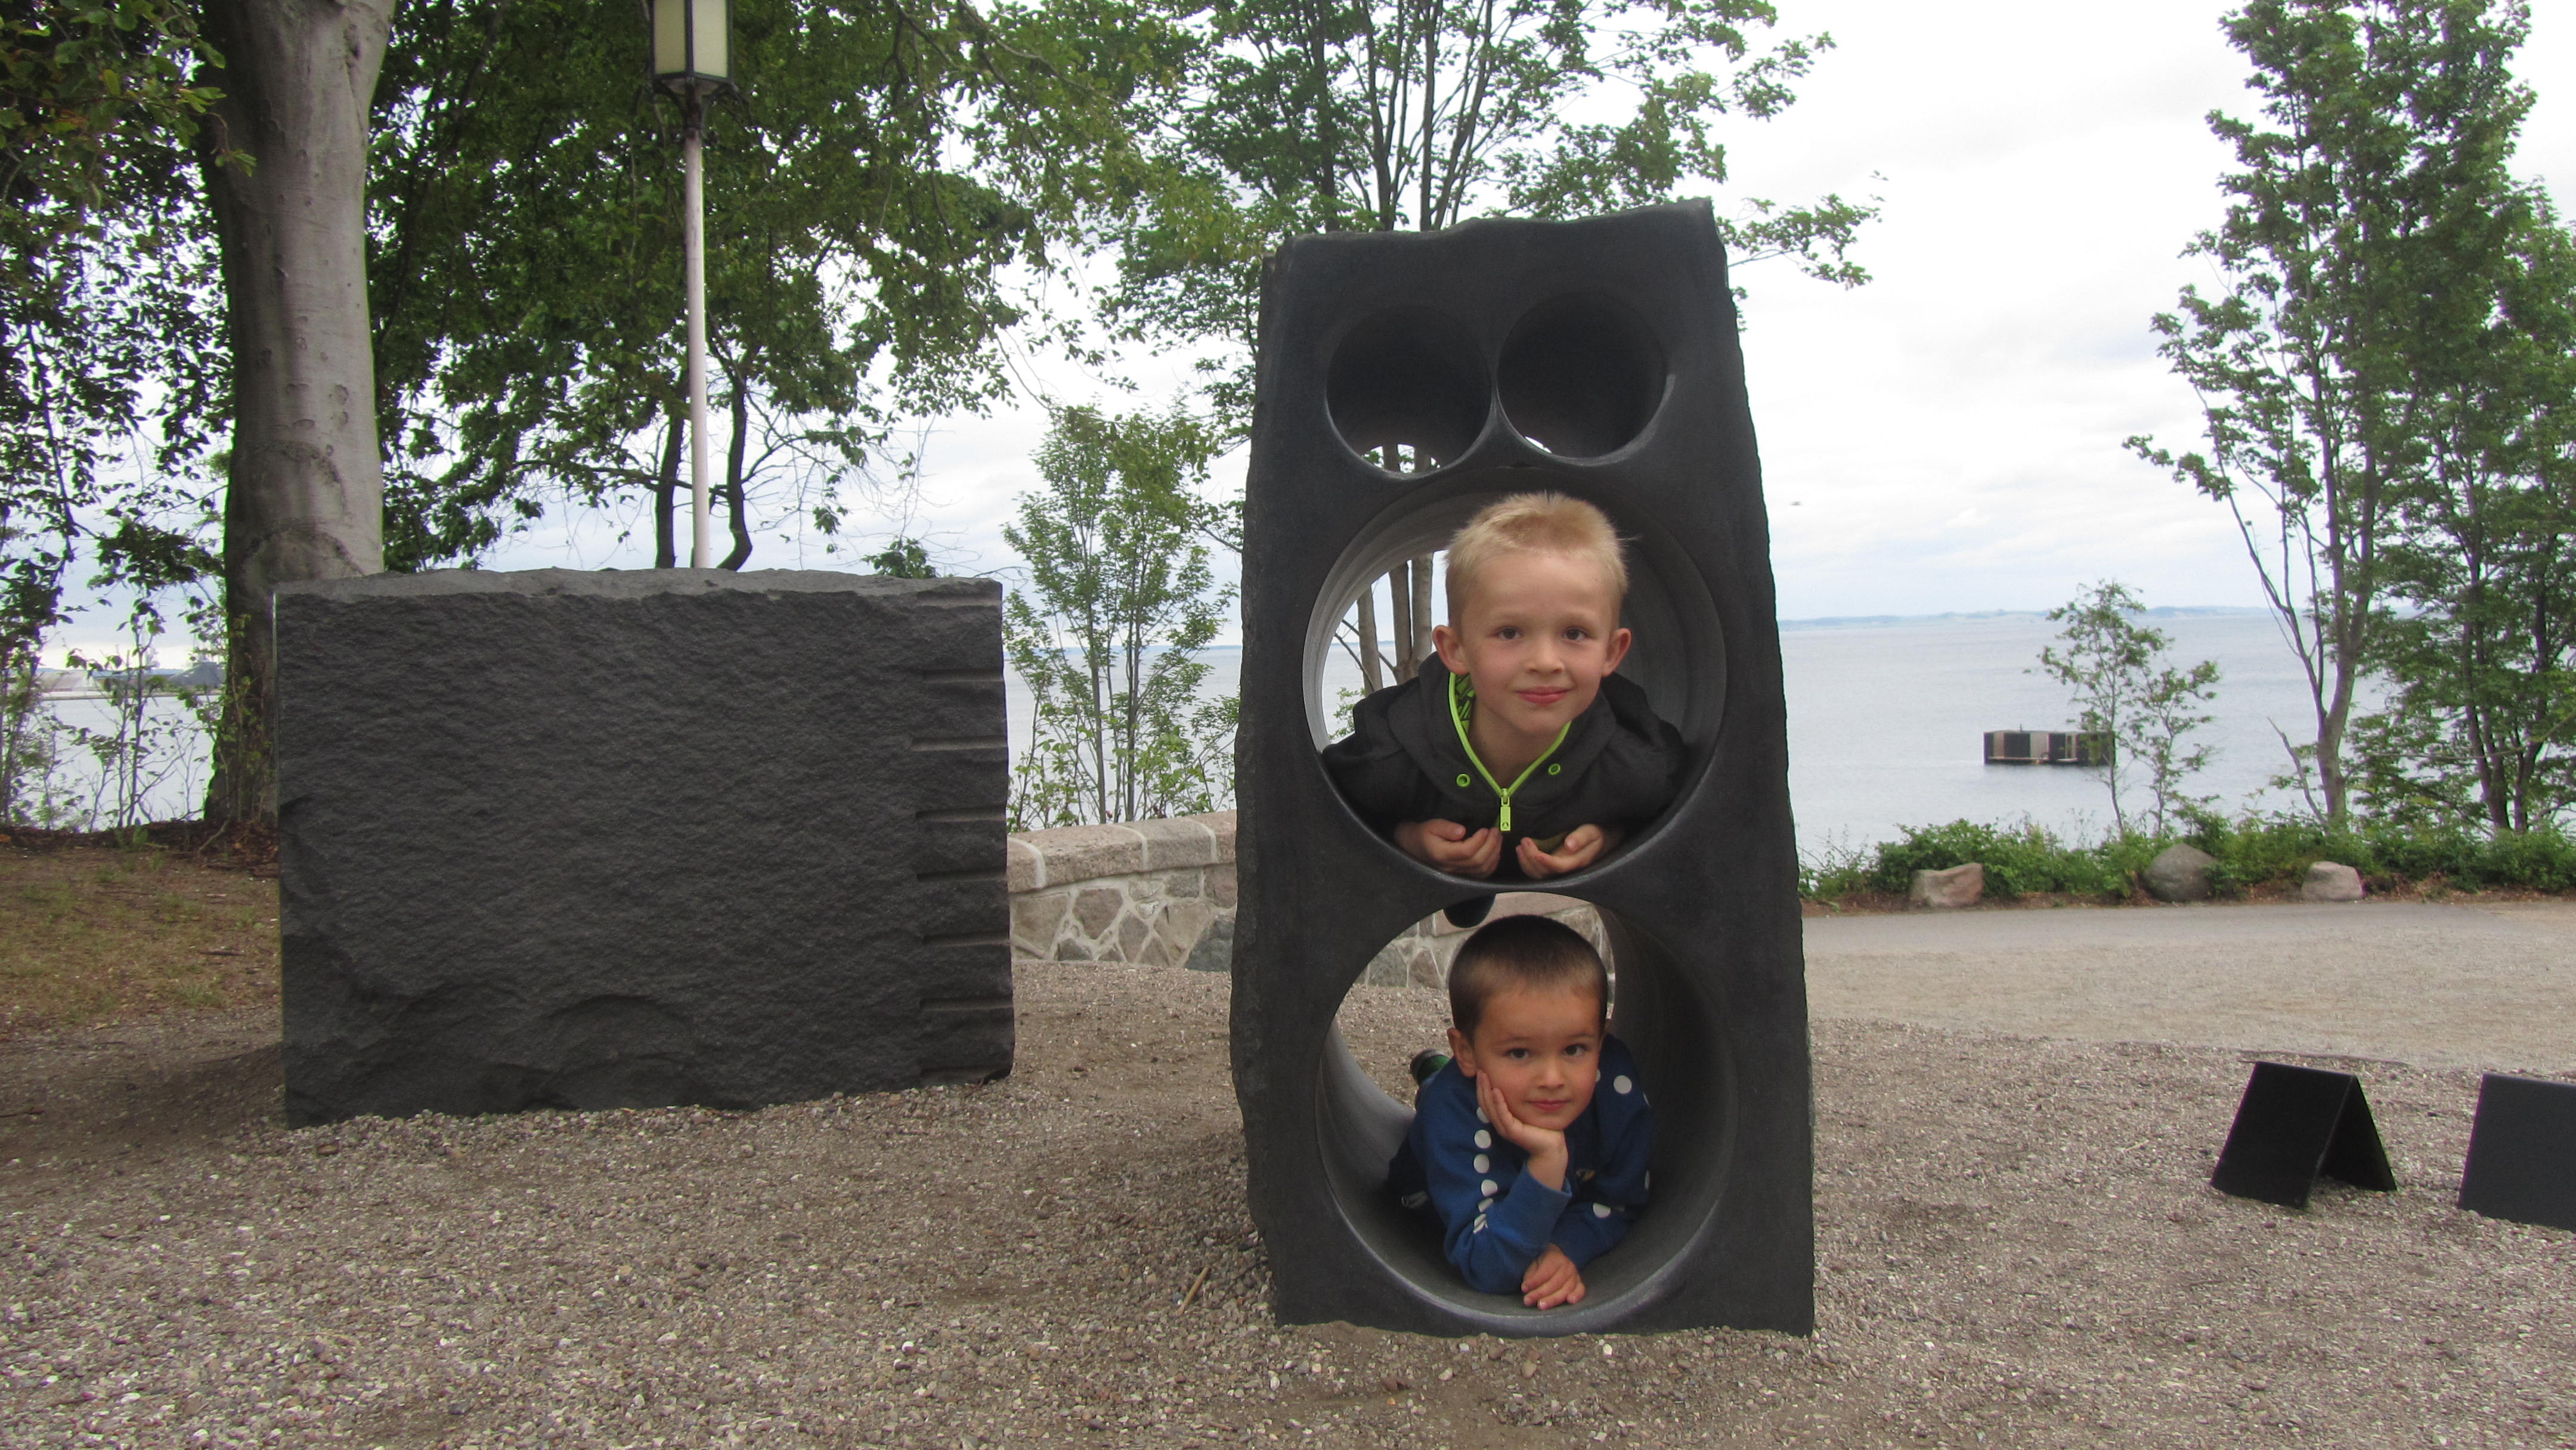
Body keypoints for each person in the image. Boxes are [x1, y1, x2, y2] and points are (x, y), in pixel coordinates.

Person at [1321, 492, 1685, 885]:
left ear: (1612, 653)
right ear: (1456, 650)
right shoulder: (1389, 760)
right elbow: (1335, 808)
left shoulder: (1634, 768)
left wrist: (1611, 837)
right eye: (1509, 633)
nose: (1545, 662)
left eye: (1574, 633)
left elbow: (1675, 805)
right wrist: (1407, 839)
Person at [1388, 914, 1652, 1308]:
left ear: (1602, 1039)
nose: (1552, 1078)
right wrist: (1548, 1162)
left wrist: (1565, 1246)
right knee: (1438, 1095)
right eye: (1519, 1053)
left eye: (1574, 1049)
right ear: (1468, 1052)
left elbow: (1622, 1200)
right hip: (1434, 1186)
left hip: (1485, 1095)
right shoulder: (1452, 1116)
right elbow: (1486, 1263)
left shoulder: (1613, 1080)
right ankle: (1434, 1075)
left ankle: (1435, 1067)